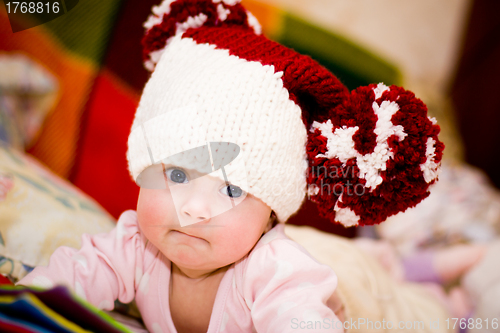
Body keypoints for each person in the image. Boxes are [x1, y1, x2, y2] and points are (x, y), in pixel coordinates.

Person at [17, 0, 446, 332]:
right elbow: (67, 281)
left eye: (231, 189)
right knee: (377, 259)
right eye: (178, 174)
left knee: (416, 307)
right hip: (325, 252)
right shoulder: (137, 245)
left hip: (354, 287)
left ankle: (442, 278)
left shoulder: (278, 274)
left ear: (269, 215)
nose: (195, 210)